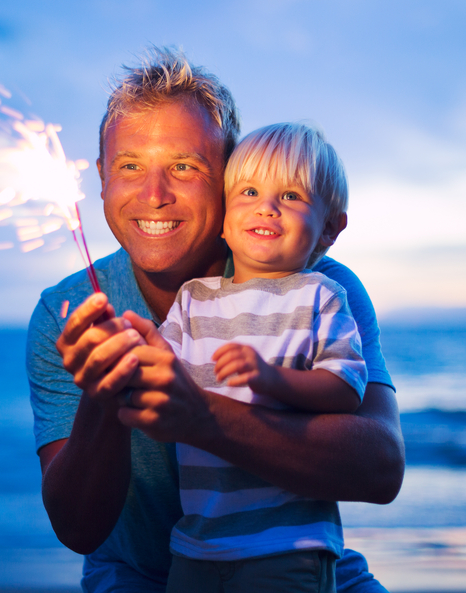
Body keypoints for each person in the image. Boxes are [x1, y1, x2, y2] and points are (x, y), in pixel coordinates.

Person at [26, 47, 405, 593]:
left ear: (227, 178)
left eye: (184, 166)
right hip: (140, 576)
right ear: (103, 180)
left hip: (299, 564)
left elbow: (380, 467)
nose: (154, 196)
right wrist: (105, 396)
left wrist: (203, 416)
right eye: (130, 167)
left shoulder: (319, 285)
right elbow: (79, 529)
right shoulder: (66, 314)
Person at [160, 122, 370, 592]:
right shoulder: (194, 299)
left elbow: (346, 387)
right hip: (197, 543)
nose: (266, 207)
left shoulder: (321, 296)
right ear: (222, 213)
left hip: (288, 546)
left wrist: (274, 380)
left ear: (330, 228)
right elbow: (158, 365)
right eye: (249, 191)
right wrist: (119, 340)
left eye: (292, 196)